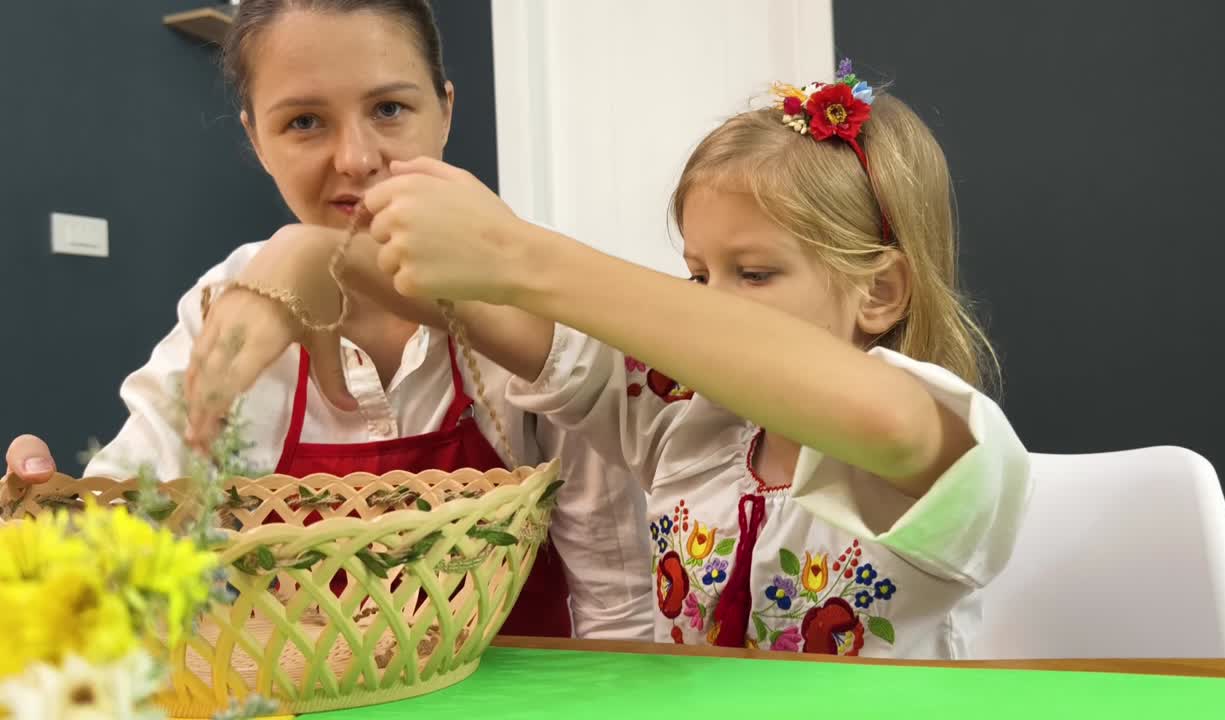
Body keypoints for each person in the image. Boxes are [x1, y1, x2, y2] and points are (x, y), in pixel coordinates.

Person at [3, 0, 652, 641]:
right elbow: (130, 528)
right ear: (256, 138)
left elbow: (615, 597)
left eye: (389, 109)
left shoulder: (529, 297)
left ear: (446, 111)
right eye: (306, 121)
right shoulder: (223, 307)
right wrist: (51, 531)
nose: (355, 158)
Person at [348, 61, 1033, 656]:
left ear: (880, 292)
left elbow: (889, 422)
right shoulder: (683, 423)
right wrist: (306, 254)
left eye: (755, 274)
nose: (711, 304)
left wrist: (520, 254)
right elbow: (484, 312)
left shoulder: (945, 462)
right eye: (700, 277)